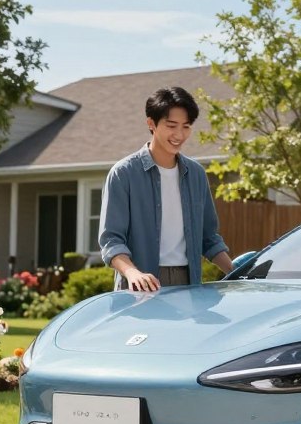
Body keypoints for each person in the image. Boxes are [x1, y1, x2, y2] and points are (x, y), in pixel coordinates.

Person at [99, 86, 235, 291]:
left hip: (189, 282)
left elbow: (209, 238)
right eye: (171, 125)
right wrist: (133, 273)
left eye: (186, 126)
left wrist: (235, 272)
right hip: (140, 285)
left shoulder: (196, 174)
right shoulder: (124, 174)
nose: (179, 134)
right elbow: (111, 240)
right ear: (151, 124)